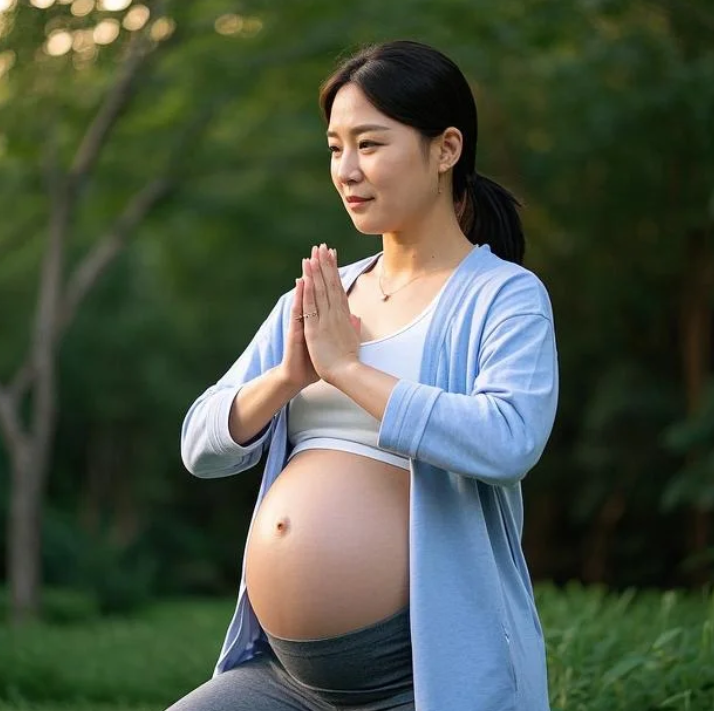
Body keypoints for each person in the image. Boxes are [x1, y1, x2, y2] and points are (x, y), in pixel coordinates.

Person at [170, 40, 559, 711]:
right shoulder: (321, 299)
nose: (346, 171)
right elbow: (198, 446)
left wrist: (347, 370)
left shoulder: (503, 296)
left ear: (446, 149)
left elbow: (508, 441)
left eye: (369, 145)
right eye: (334, 148)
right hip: (286, 680)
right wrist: (288, 377)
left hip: (421, 680)